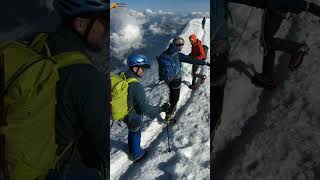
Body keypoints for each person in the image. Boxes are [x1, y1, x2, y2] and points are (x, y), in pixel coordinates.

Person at [48, 0, 110, 178]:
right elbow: (105, 146)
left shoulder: (42, 46)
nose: (105, 30)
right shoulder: (87, 77)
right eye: (104, 21)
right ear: (80, 23)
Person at [124, 54, 170, 162]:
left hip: (125, 113)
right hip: (134, 114)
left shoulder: (123, 76)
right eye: (142, 68)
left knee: (131, 130)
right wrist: (162, 108)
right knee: (136, 132)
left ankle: (131, 149)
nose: (143, 71)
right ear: (135, 68)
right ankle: (137, 154)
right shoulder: (136, 86)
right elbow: (146, 109)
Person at [159, 36, 210, 121]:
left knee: (172, 93)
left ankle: (171, 106)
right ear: (178, 45)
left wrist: (162, 77)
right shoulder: (178, 55)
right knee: (175, 98)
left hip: (168, 80)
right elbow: (192, 60)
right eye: (182, 44)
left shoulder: (165, 53)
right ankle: (169, 115)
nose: (182, 46)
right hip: (176, 80)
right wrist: (204, 63)